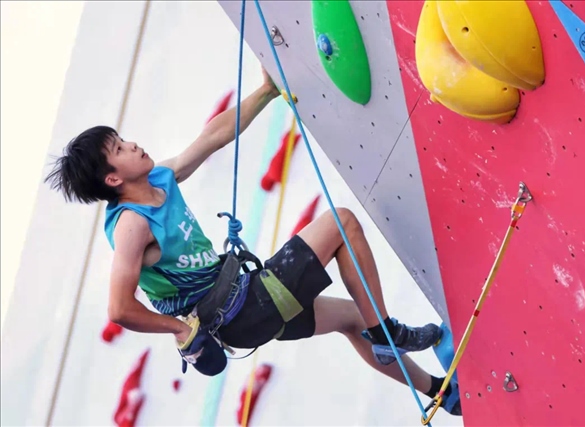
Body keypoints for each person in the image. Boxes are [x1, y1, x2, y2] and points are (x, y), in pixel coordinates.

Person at [44, 67, 461, 416]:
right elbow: (119, 308)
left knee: (353, 319)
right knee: (343, 224)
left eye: (123, 140)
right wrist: (180, 329)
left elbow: (212, 137)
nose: (132, 144)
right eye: (120, 148)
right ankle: (385, 331)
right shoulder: (132, 225)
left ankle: (443, 394)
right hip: (243, 310)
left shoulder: (160, 180)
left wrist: (266, 92)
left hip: (248, 305)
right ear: (113, 178)